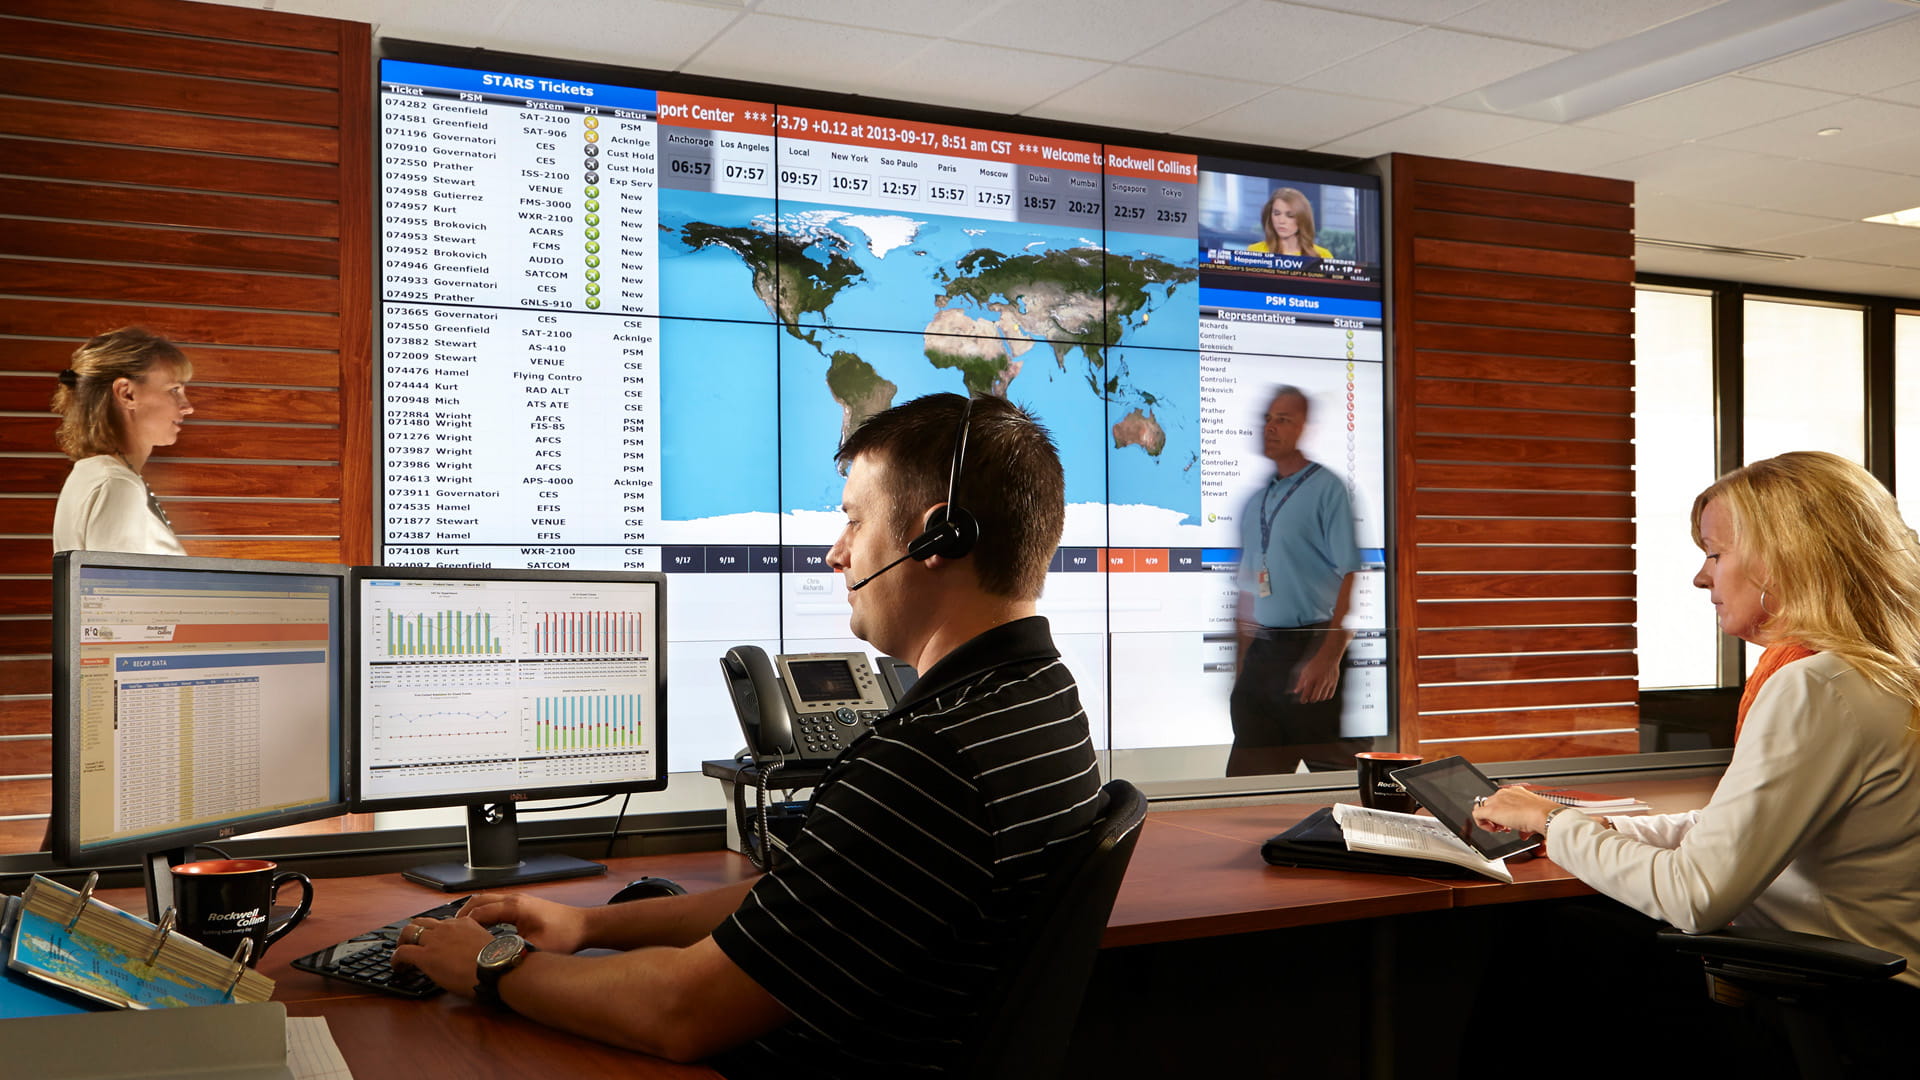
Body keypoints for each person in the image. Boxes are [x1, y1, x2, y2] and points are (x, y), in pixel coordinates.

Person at [394, 392, 1102, 1078]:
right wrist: (588, 928)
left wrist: (493, 967)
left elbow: (683, 1012)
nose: (837, 553)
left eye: (855, 522)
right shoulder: (1037, 700)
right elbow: (816, 896)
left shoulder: (931, 760)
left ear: (936, 537)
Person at [1476, 453, 1920, 1033]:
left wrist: (1559, 828)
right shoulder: (1878, 672)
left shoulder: (1818, 686)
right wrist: (1556, 819)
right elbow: (1728, 832)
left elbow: (1697, 895)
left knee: (1558, 937)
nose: (1701, 576)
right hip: (1880, 986)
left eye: (1714, 553)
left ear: (1783, 558)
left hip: (1847, 1007)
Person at [1228, 386, 1365, 775]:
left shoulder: (1328, 489)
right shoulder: (1257, 501)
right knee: (1247, 782)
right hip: (1265, 656)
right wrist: (1242, 669)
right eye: (1267, 419)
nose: (1269, 427)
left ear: (1303, 427)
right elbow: (1247, 591)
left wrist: (1328, 655)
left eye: (1282, 420)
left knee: (1330, 776)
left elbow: (1351, 573)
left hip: (1313, 646)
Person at [50, 328, 195, 554]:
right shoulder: (116, 484)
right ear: (127, 394)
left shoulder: (95, 474)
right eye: (174, 389)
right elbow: (116, 588)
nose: (188, 407)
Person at [1247, 187, 1332, 258]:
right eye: (1277, 214)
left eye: (1290, 215)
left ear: (1302, 218)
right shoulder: (1255, 251)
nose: (1281, 221)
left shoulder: (1323, 256)